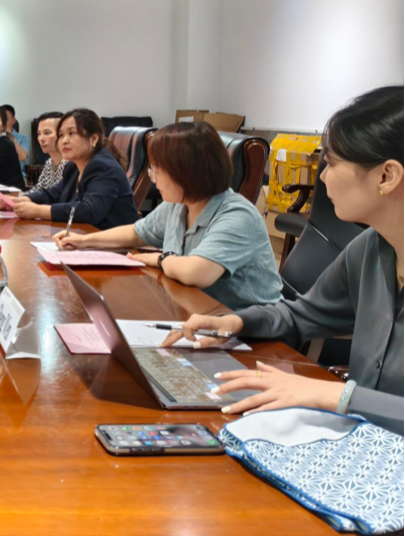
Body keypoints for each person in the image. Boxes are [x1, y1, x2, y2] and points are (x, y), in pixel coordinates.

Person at [164, 87, 403, 435]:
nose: (323, 177)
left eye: (332, 163)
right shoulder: (369, 249)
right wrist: (235, 322)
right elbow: (300, 315)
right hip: (360, 442)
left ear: (387, 176)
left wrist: (339, 395)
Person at [55, 122, 283, 310]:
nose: (153, 178)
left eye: (157, 170)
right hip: (196, 312)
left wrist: (160, 259)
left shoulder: (237, 216)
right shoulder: (178, 205)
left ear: (186, 173)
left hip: (252, 332)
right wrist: (84, 241)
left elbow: (196, 273)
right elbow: (136, 233)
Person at [11, 108, 138, 230]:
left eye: (71, 133)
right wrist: (23, 200)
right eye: (61, 135)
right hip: (83, 236)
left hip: (112, 241)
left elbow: (89, 211)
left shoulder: (104, 167)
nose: (64, 141)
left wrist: (38, 211)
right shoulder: (73, 167)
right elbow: (53, 194)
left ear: (94, 139)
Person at [28, 111, 68, 194]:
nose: (41, 139)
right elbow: (37, 190)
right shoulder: (49, 162)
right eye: (39, 134)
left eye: (47, 133)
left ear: (61, 134)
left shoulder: (70, 165)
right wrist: (18, 199)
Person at [2, 105, 31, 177]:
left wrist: (11, 137)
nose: (3, 122)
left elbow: (22, 157)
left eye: (6, 119)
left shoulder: (23, 138)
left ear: (13, 120)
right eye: (1, 119)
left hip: (17, 175)